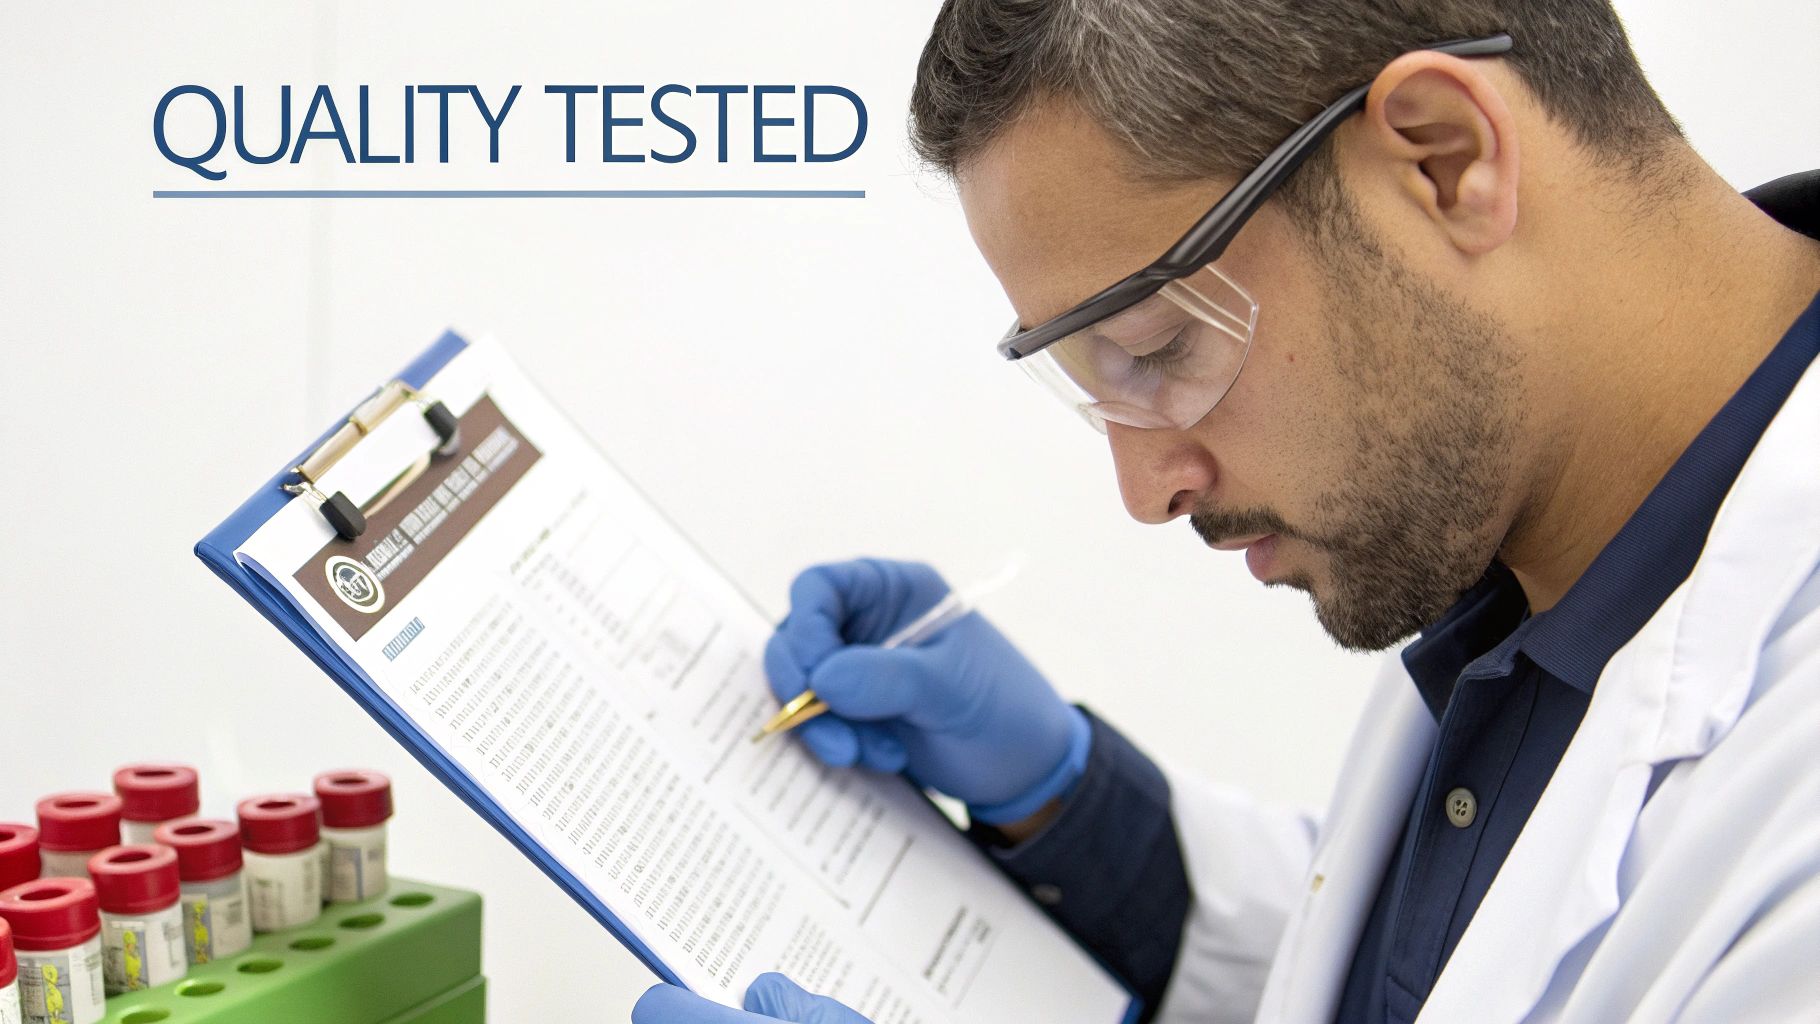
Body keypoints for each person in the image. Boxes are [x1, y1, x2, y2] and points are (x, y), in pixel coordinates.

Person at [633, 1, 1820, 1021]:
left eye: (1159, 346)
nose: (1146, 491)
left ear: (1444, 160)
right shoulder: (1531, 566)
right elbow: (1464, 962)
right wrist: (1075, 807)